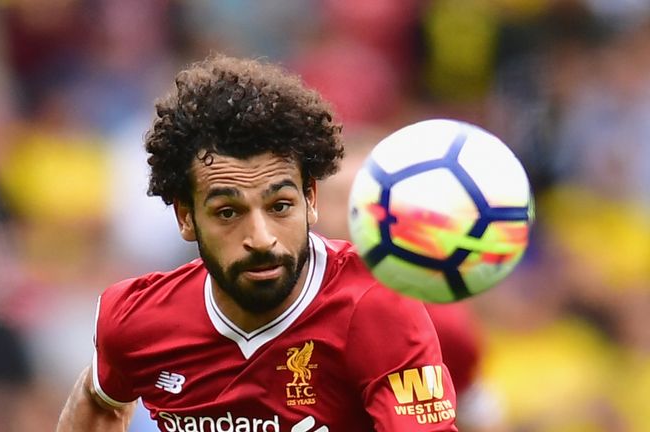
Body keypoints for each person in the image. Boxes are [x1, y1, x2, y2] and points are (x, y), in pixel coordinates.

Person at [56, 54, 458, 431]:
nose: (261, 239)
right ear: (185, 217)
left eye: (280, 206)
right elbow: (100, 399)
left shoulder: (377, 305)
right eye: (228, 213)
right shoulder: (134, 320)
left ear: (310, 199)